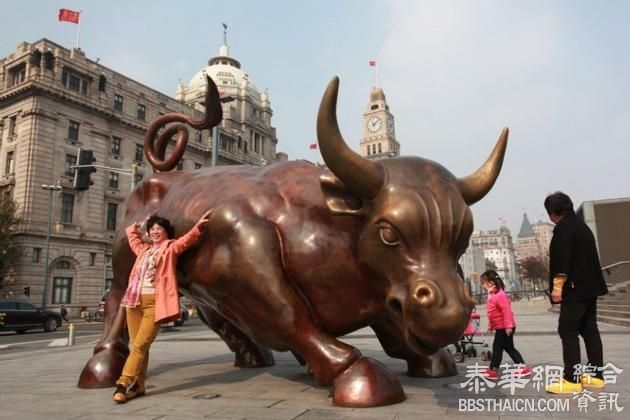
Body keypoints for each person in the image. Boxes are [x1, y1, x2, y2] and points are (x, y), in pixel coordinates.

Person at [113, 210, 212, 403]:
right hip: (133, 302)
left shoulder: (170, 248)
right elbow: (131, 236)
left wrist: (199, 225)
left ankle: (123, 383)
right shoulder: (143, 250)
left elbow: (187, 239)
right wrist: (138, 225)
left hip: (154, 303)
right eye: (152, 229)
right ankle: (139, 386)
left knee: (140, 345)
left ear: (166, 232)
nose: (155, 232)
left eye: (159, 228)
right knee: (139, 346)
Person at [544, 192, 608, 394]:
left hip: (574, 289)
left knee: (567, 329)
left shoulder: (564, 229)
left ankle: (571, 379)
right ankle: (597, 376)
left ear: (553, 212)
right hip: (591, 287)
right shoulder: (582, 227)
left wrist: (557, 288)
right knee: (589, 329)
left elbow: (562, 260)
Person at [480, 270, 530, 379]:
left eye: (483, 282)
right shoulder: (493, 294)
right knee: (509, 348)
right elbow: (492, 312)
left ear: (491, 283)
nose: (482, 285)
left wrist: (508, 326)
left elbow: (506, 311)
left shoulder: (500, 295)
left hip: (505, 327)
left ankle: (494, 370)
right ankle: (523, 367)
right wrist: (491, 325)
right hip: (501, 326)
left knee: (497, 348)